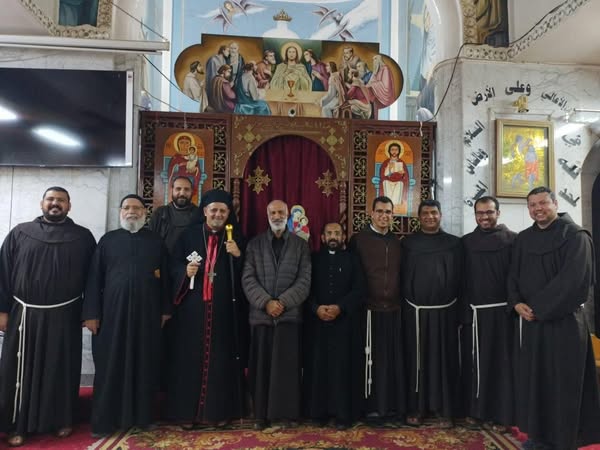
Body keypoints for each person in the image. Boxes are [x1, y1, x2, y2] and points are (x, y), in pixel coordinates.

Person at [0, 187, 96, 448]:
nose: (55, 203)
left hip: (66, 314)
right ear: (41, 203)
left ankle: (60, 419)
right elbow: (3, 272)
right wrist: (2, 310)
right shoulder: (20, 232)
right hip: (24, 315)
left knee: (60, 367)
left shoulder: (83, 237)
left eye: (61, 200)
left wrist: (89, 313)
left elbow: (93, 278)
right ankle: (16, 424)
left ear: (69, 205)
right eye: (51, 199)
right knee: (19, 370)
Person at [508, 187, 600, 450]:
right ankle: (538, 437)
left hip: (565, 325)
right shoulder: (524, 239)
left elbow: (573, 282)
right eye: (532, 205)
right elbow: (512, 274)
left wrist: (537, 307)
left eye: (543, 203)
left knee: (562, 384)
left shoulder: (576, 236)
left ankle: (563, 441)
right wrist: (516, 302)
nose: (538, 209)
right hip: (534, 325)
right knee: (536, 382)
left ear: (555, 204)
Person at [82, 194, 172, 437]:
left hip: (147, 315)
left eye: (137, 207)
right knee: (110, 366)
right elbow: (94, 279)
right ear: (120, 211)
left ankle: (143, 418)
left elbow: (166, 279)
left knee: (145, 364)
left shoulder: (156, 241)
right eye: (127, 207)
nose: (132, 211)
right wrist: (91, 313)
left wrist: (165, 310)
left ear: (145, 212)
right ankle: (105, 421)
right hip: (112, 315)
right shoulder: (108, 240)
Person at [166, 189, 246, 428]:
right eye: (214, 210)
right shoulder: (189, 236)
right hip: (192, 312)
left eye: (222, 211)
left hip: (223, 311)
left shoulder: (236, 238)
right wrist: (184, 271)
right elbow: (172, 266)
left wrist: (238, 255)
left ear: (228, 214)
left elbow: (249, 274)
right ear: (205, 211)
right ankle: (186, 413)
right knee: (188, 360)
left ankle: (218, 412)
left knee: (221, 362)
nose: (218, 214)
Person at [242, 200, 311, 430]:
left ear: (288, 215)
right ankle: (260, 416)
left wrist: (282, 303)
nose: (277, 216)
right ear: (267, 214)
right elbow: (248, 279)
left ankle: (287, 414)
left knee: (287, 369)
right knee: (261, 370)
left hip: (289, 316)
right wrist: (266, 303)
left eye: (281, 212)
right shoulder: (254, 245)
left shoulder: (300, 245)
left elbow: (305, 280)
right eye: (273, 212)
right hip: (261, 317)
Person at [400, 199, 462, 428]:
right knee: (417, 361)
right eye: (425, 213)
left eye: (434, 213)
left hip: (446, 312)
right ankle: (417, 408)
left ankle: (445, 409)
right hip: (414, 313)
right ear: (419, 217)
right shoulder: (407, 244)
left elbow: (462, 278)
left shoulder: (454, 244)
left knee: (444, 361)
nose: (430, 217)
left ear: (440, 215)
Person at [460, 196, 516, 432]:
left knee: (502, 365)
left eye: (489, 212)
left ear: (498, 213)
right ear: (475, 215)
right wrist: (464, 313)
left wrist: (513, 307)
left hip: (504, 315)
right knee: (476, 364)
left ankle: (503, 415)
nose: (484, 217)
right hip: (474, 316)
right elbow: (461, 280)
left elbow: (517, 277)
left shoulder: (513, 240)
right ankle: (477, 412)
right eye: (480, 213)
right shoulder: (466, 242)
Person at [348, 196, 405, 424]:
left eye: (388, 212)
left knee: (390, 363)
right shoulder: (358, 240)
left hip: (393, 311)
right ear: (371, 214)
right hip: (367, 312)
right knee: (369, 361)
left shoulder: (398, 242)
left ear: (393, 215)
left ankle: (389, 407)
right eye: (379, 211)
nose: (384, 216)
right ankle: (369, 408)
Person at [304, 223, 366, 429]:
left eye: (337, 233)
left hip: (345, 324)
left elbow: (359, 289)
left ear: (343, 236)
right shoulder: (312, 259)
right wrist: (316, 309)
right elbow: (305, 288)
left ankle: (343, 414)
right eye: (329, 233)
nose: (333, 236)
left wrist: (340, 307)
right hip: (317, 324)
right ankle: (318, 413)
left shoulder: (353, 259)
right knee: (318, 367)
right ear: (322, 237)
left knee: (342, 368)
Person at [149, 176, 203, 254]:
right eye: (178, 189)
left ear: (192, 191)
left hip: (191, 260)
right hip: (163, 259)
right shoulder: (160, 213)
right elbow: (150, 241)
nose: (182, 193)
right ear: (172, 190)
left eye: (186, 189)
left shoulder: (199, 214)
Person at [379, 141, 409, 212]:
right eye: (392, 149)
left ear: (399, 151)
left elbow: (406, 176)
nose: (394, 151)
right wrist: (390, 170)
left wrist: (403, 174)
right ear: (389, 151)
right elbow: (383, 175)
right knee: (385, 182)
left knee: (400, 183)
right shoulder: (386, 162)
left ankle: (395, 205)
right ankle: (386, 204)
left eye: (396, 150)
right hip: (388, 180)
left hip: (398, 181)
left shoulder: (402, 162)